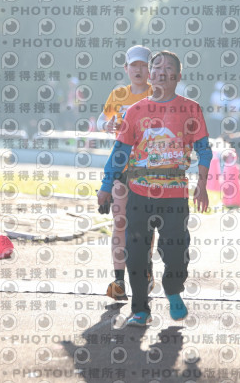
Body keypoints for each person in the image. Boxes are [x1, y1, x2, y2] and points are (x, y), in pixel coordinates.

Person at [97, 50, 212, 326]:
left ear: (178, 76)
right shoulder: (135, 111)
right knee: (136, 252)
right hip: (139, 191)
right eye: (156, 67)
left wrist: (202, 184)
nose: (161, 71)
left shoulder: (191, 109)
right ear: (150, 75)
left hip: (175, 193)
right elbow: (120, 152)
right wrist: (106, 185)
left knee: (176, 251)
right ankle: (140, 310)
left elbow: (204, 150)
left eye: (168, 67)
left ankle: (173, 289)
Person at [96, 45, 154, 301]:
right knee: (120, 222)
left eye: (143, 65)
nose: (138, 70)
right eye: (134, 65)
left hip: (150, 170)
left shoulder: (157, 94)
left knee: (146, 227)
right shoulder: (119, 94)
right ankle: (119, 281)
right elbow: (101, 119)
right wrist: (107, 125)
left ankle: (146, 271)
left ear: (150, 69)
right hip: (121, 167)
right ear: (126, 68)